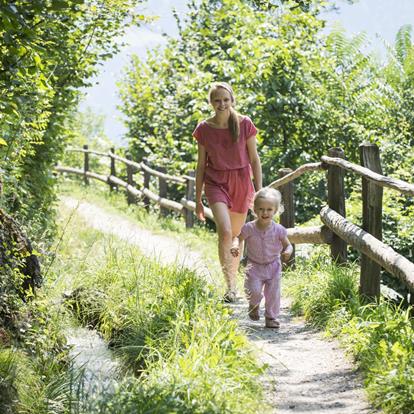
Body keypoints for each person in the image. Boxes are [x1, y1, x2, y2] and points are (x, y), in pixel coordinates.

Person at [193, 82, 262, 302]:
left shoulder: (244, 124)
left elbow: (254, 159)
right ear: (211, 103)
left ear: (232, 100)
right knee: (224, 231)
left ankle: (233, 276)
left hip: (241, 182)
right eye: (217, 100)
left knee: (235, 236)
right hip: (215, 182)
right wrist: (197, 200)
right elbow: (201, 165)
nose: (221, 104)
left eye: (225, 99)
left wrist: (259, 191)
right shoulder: (204, 129)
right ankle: (230, 287)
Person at [230, 188, 293, 328]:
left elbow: (288, 245)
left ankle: (271, 318)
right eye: (261, 209)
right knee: (254, 291)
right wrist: (235, 246)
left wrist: (288, 251)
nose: (265, 213)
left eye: (269, 209)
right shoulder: (249, 228)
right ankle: (253, 305)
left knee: (273, 294)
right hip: (254, 266)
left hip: (273, 266)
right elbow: (238, 238)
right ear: (255, 210)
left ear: (275, 210)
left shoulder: (279, 230)